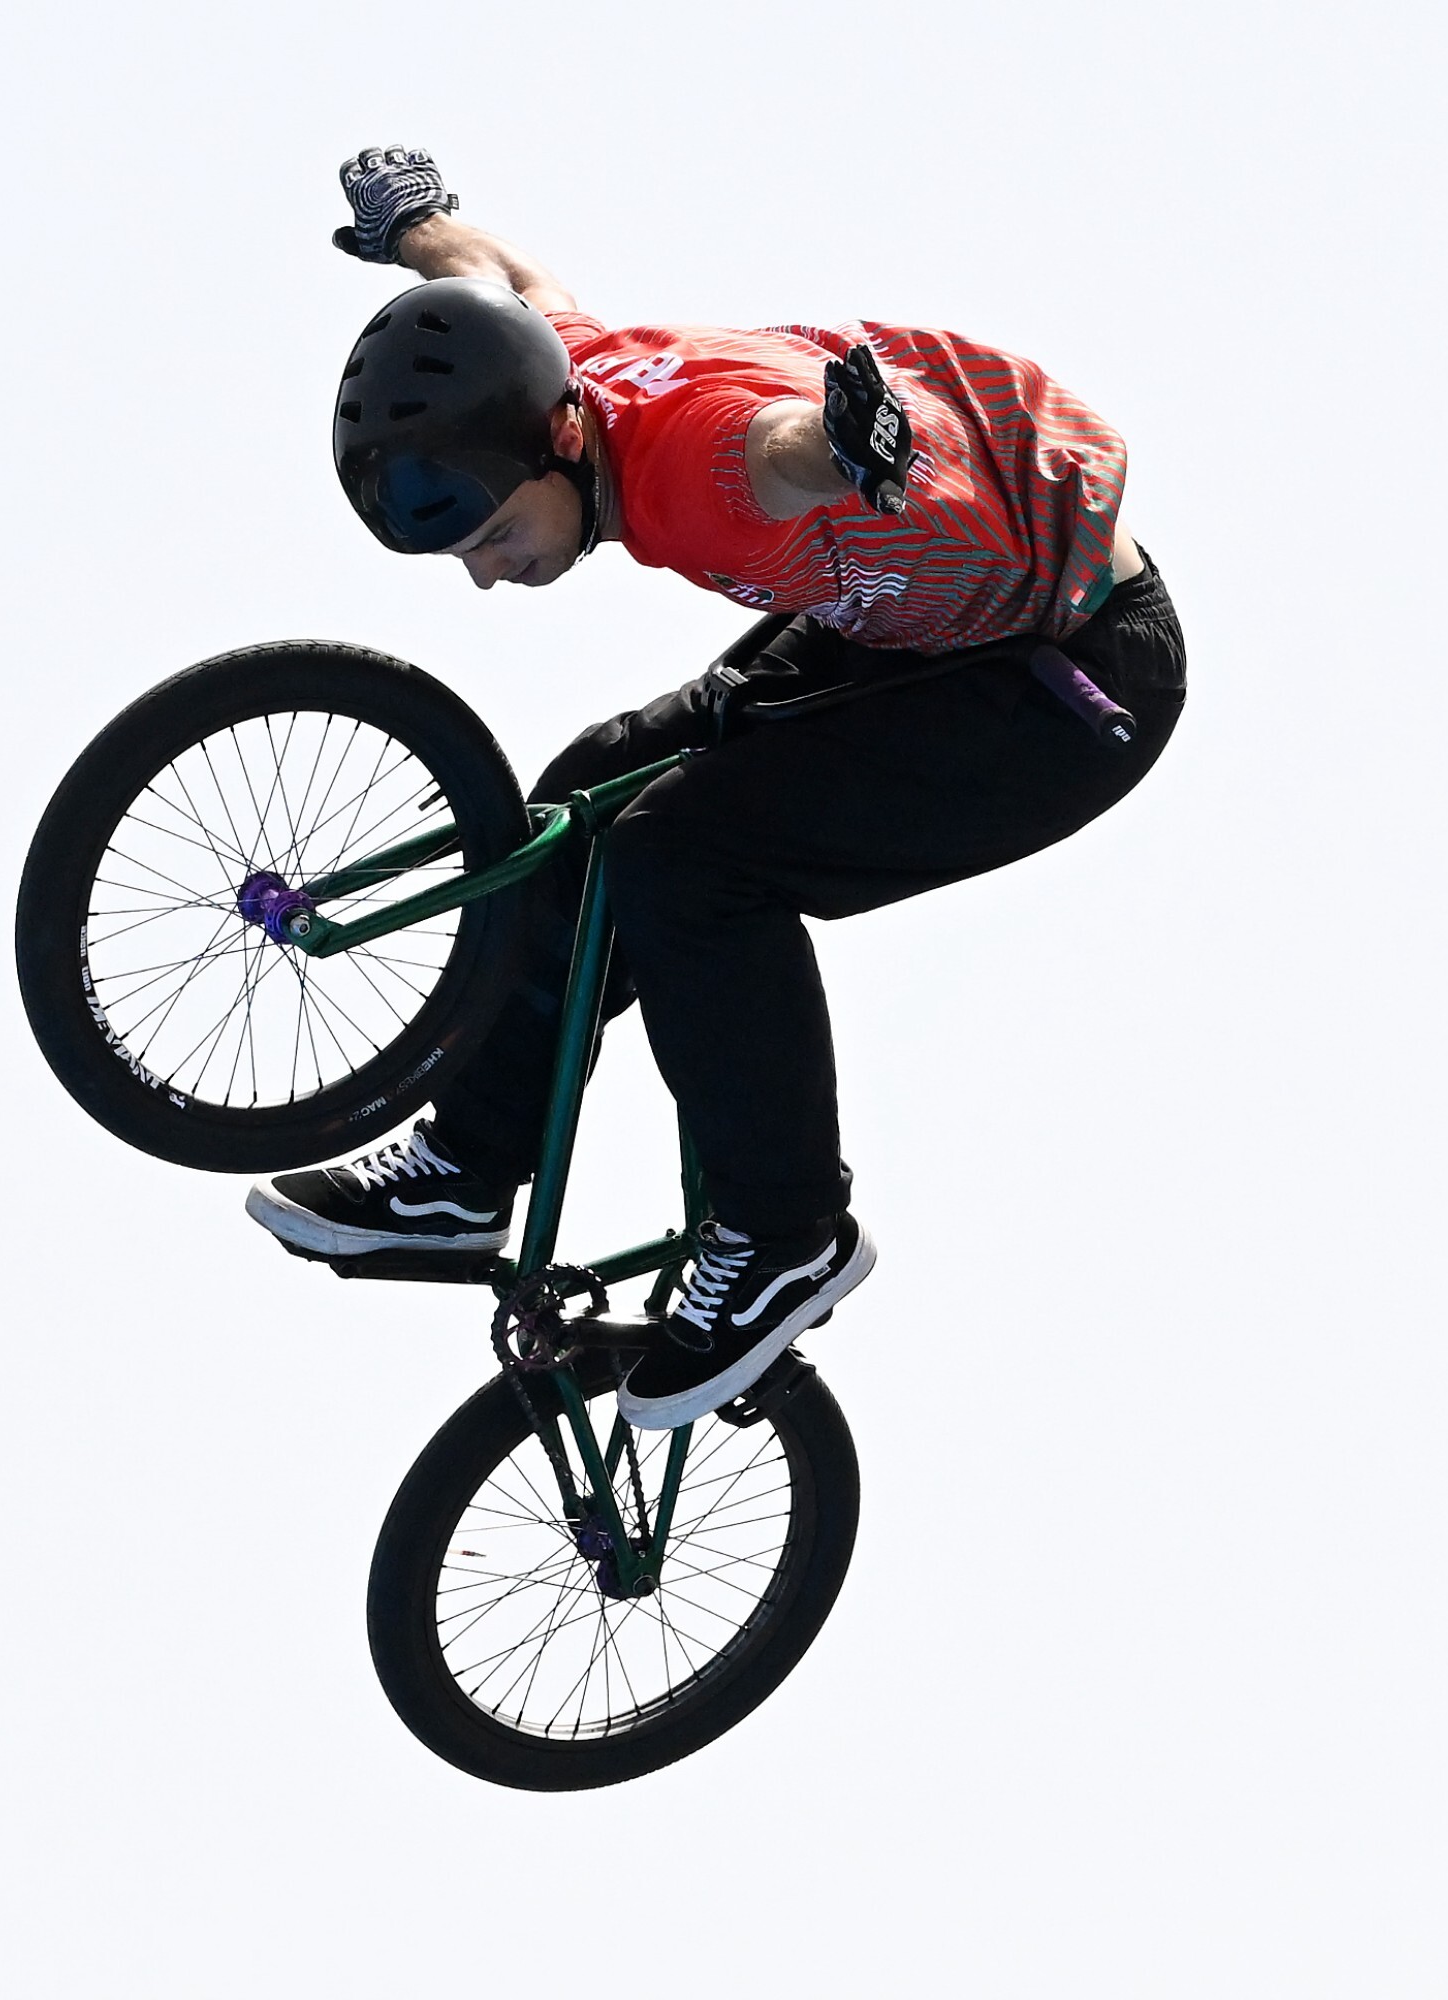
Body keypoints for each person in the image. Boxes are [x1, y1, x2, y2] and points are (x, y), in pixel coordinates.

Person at [246, 147, 1187, 1428]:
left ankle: (787, 1230)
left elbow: (771, 453)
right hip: (919, 633)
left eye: (496, 535)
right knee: (590, 790)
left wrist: (845, 444)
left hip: (1066, 687)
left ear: (560, 444)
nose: (488, 576)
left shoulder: (692, 468)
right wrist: (421, 219)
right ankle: (463, 1171)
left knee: (686, 855)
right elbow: (501, 281)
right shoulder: (568, 372)